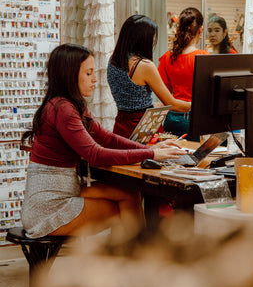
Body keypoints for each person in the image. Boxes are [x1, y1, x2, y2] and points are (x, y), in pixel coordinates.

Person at [21, 44, 186, 239]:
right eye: (89, 73)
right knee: (123, 212)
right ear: (70, 75)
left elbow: (106, 138)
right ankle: (140, 257)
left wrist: (151, 148)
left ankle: (135, 257)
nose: (95, 79)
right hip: (49, 207)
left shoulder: (68, 104)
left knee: (130, 194)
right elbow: (95, 155)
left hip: (61, 191)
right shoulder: (63, 108)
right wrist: (151, 153)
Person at [107, 15, 191, 139]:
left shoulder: (113, 61)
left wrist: (151, 105)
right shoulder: (144, 65)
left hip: (121, 125)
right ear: (144, 40)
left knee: (123, 156)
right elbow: (173, 104)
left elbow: (131, 98)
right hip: (143, 127)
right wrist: (196, 105)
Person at [158, 7, 209, 139]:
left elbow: (164, 95)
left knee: (171, 157)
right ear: (200, 30)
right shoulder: (204, 58)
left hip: (172, 119)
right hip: (196, 119)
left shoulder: (166, 57)